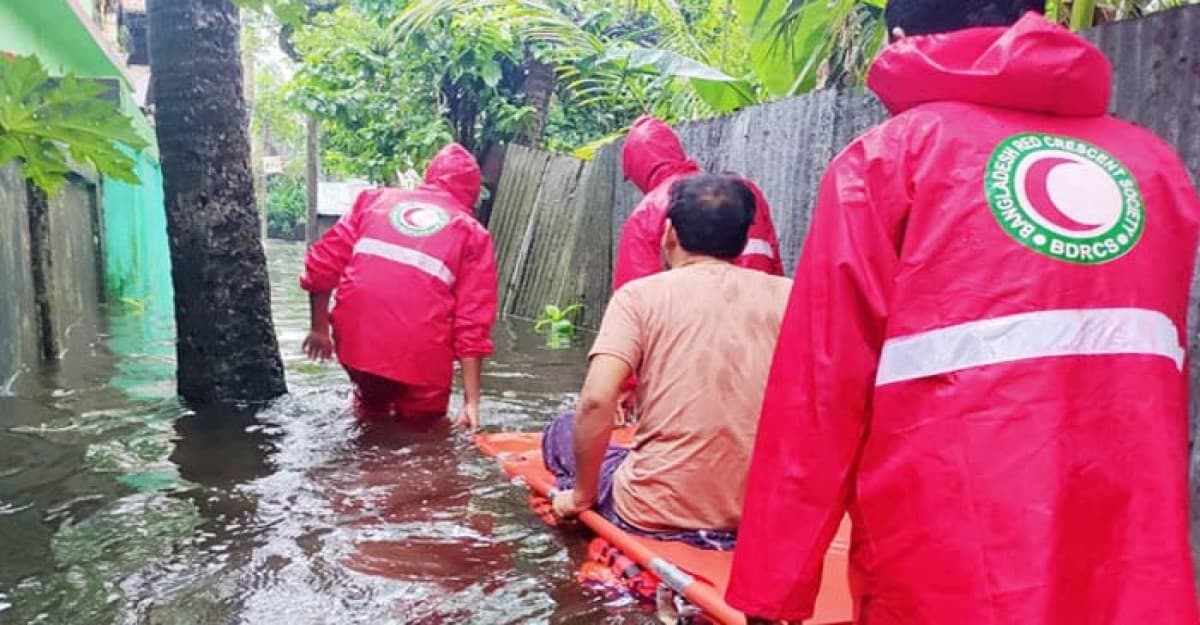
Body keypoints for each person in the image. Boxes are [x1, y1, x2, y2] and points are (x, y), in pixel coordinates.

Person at [727, 3, 1200, 624]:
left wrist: (771, 590)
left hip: (948, 567)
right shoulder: (1156, 168)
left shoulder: (889, 159)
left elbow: (819, 391)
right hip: (1132, 563)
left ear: (900, 37)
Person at [547, 174, 792, 549]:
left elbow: (596, 400)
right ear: (744, 241)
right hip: (758, 511)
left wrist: (581, 496)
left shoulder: (639, 297)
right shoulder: (791, 296)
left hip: (653, 511)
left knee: (563, 428)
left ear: (669, 233)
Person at [301, 143, 498, 430]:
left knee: (370, 410)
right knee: (423, 435)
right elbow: (472, 321)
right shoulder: (471, 233)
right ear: (471, 192)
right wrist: (471, 402)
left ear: (429, 176)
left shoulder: (373, 201)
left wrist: (319, 329)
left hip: (356, 346)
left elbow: (322, 264)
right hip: (421, 359)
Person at [614, 115, 785, 290]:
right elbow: (772, 260)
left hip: (689, 305)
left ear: (637, 168)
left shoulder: (646, 214)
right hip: (760, 300)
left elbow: (633, 291)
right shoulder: (737, 193)